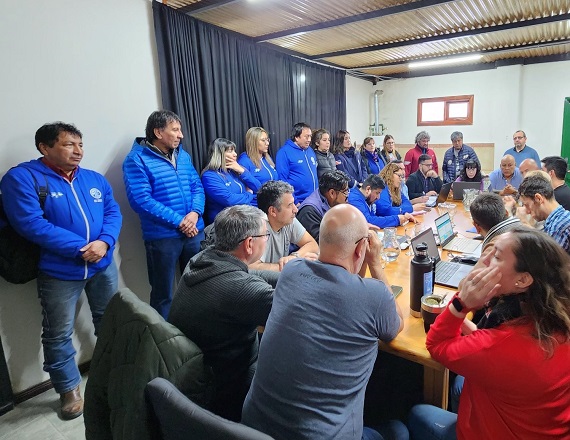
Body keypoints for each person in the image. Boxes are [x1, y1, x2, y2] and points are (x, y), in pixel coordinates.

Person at [242, 204, 408, 440]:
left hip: (253, 429)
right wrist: (375, 263)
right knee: (399, 431)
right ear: (361, 248)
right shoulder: (375, 295)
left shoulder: (291, 272)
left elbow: (342, 283)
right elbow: (395, 326)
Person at [0, 122, 122, 420]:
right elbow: (30, 223)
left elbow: (112, 212)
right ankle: (68, 389)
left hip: (102, 265)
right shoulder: (22, 178)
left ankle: (115, 371)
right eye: (69, 144)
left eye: (80, 144)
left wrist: (104, 243)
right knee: (58, 333)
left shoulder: (93, 179)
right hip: (58, 271)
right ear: (45, 147)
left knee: (111, 320)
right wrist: (82, 248)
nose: (78, 151)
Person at [409, 228, 570, 439]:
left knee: (418, 413)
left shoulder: (498, 347)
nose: (485, 262)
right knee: (460, 385)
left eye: (496, 256)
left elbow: (437, 344)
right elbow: (493, 348)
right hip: (543, 426)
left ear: (522, 280)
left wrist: (461, 303)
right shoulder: (553, 315)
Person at [168, 205, 274, 422]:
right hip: (227, 385)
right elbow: (298, 312)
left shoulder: (202, 259)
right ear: (250, 243)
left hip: (199, 371)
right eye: (266, 235)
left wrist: (290, 274)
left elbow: (248, 274)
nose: (268, 239)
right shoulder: (242, 290)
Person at [123, 110, 205, 319]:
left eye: (180, 130)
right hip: (163, 237)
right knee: (163, 294)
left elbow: (197, 187)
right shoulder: (136, 159)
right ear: (158, 132)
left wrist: (195, 213)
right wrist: (180, 221)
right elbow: (141, 200)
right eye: (175, 130)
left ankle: (196, 329)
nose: (181, 135)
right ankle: (166, 341)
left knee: (198, 285)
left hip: (194, 231)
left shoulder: (183, 155)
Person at [249, 180, 319, 272]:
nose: (295, 210)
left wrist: (294, 257)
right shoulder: (258, 230)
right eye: (290, 205)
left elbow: (312, 244)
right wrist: (290, 266)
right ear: (273, 211)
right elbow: (251, 268)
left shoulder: (289, 220)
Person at [201, 138, 260, 224]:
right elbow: (229, 200)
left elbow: (258, 188)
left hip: (244, 219)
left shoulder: (234, 171)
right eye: (230, 151)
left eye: (234, 151)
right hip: (225, 224)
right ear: (219, 154)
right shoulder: (209, 176)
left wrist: (242, 171)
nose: (235, 154)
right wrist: (249, 194)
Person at [518, 173, 570, 254]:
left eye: (527, 205)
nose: (527, 211)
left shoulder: (559, 227)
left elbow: (550, 263)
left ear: (538, 198)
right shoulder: (558, 221)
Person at [297, 170, 350, 242]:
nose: (347, 196)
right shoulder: (309, 211)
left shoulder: (332, 201)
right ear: (332, 193)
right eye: (345, 192)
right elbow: (323, 243)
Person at [348, 174, 414, 228]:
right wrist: (396, 219)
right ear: (368, 189)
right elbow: (368, 221)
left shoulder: (367, 199)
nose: (378, 197)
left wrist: (402, 215)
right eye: (377, 193)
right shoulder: (354, 199)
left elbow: (374, 218)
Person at [276, 122, 318, 204]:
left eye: (310, 136)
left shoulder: (310, 150)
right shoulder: (284, 152)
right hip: (299, 201)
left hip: (314, 199)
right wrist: (294, 201)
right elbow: (282, 180)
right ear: (296, 137)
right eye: (306, 136)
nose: (309, 139)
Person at [237, 127, 278, 205]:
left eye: (267, 140)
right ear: (253, 142)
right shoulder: (244, 161)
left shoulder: (267, 159)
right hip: (255, 206)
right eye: (263, 140)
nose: (267, 143)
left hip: (271, 204)